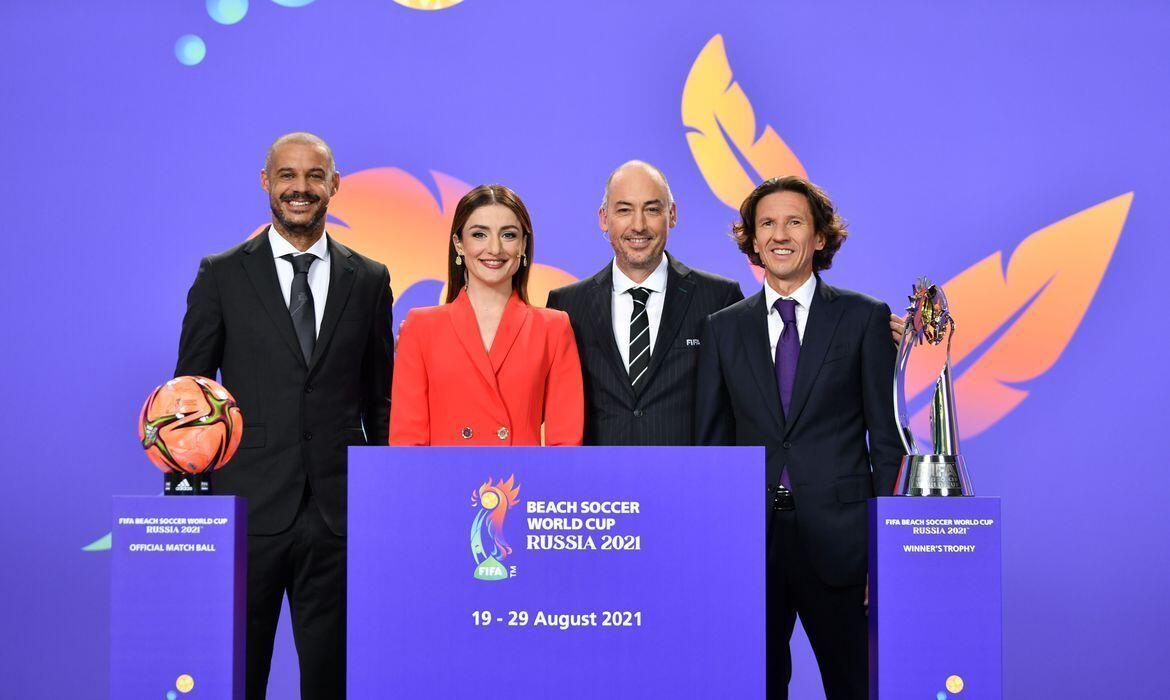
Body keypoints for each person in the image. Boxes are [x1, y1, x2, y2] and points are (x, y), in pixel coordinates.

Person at [175, 132, 393, 700]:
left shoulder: (369, 280)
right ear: (266, 182)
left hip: (338, 519)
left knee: (332, 681)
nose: (301, 188)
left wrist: (383, 498)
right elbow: (186, 405)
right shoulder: (221, 276)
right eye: (288, 176)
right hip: (246, 510)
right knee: (236, 676)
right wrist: (190, 513)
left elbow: (382, 403)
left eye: (314, 176)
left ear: (335, 185)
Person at [694, 176, 905, 700]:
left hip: (844, 546)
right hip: (752, 545)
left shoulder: (863, 318)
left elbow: (886, 442)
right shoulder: (722, 329)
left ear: (819, 238)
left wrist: (885, 552)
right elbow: (712, 447)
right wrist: (717, 550)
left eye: (794, 222)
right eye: (766, 223)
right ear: (751, 239)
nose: (779, 234)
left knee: (856, 685)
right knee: (756, 686)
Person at [546, 161, 744, 445]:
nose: (638, 225)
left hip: (691, 484)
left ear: (672, 215)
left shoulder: (719, 299)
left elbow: (741, 406)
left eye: (652, 209)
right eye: (624, 210)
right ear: (604, 217)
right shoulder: (565, 305)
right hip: (599, 485)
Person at [390, 184, 584, 446]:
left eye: (508, 235)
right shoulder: (420, 327)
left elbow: (565, 446)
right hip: (441, 484)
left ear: (523, 245)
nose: (494, 248)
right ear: (459, 244)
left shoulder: (554, 328)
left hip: (524, 484)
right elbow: (407, 444)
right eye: (479, 234)